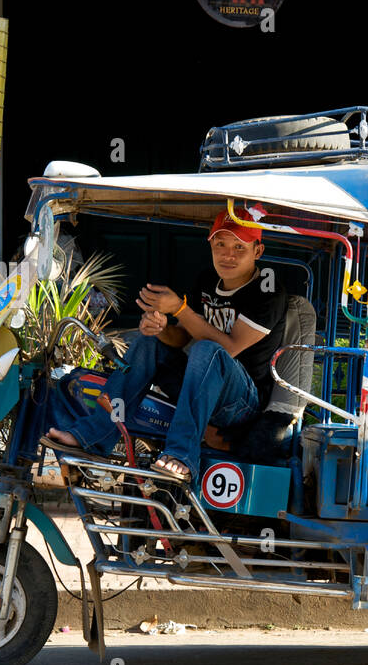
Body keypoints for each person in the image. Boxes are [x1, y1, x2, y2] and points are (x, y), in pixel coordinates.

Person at [45, 205, 287, 482]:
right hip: (199, 384)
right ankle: (93, 435)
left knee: (208, 350)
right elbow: (183, 336)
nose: (228, 255)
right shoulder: (208, 280)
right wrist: (160, 329)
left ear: (258, 251)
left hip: (241, 402)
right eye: (220, 244)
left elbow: (228, 348)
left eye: (239, 247)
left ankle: (181, 455)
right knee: (147, 342)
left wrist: (180, 308)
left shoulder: (269, 290)